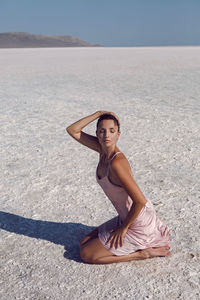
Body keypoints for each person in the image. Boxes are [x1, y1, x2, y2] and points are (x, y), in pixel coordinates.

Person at [66, 111, 170, 264]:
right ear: (97, 133)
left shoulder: (117, 163)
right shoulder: (102, 149)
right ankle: (129, 238)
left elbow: (140, 201)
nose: (106, 135)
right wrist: (99, 113)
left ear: (118, 135)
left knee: (86, 254)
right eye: (102, 131)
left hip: (137, 221)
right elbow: (72, 130)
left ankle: (142, 254)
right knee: (84, 242)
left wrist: (124, 229)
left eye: (111, 131)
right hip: (125, 216)